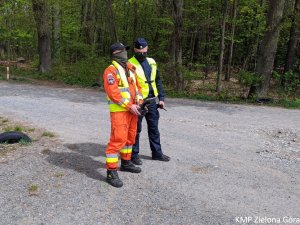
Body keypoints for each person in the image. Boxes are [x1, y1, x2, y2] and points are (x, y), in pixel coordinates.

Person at [103, 42, 143, 188]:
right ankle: (111, 171)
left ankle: (126, 162)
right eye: (122, 51)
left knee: (130, 136)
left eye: (126, 50)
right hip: (120, 110)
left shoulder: (130, 68)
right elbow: (113, 93)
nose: (125, 53)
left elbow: (137, 87)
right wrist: (129, 105)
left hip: (133, 109)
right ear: (115, 53)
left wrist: (139, 101)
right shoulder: (110, 70)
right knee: (118, 139)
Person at [129, 38, 170, 165]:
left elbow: (158, 80)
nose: (141, 53)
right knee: (136, 130)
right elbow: (129, 85)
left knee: (154, 129)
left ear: (147, 49)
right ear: (135, 50)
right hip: (139, 102)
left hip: (152, 101)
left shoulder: (152, 62)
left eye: (144, 51)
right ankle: (134, 155)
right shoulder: (129, 63)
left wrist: (161, 98)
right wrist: (132, 104)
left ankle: (157, 153)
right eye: (139, 51)